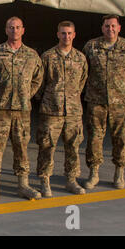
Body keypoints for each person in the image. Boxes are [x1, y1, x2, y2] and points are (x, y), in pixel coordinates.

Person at [0, 16, 44, 202]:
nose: (14, 31)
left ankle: (23, 185)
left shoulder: (32, 55)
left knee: (22, 149)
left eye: (17, 27)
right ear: (6, 30)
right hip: (0, 110)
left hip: (22, 111)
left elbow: (37, 79)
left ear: (23, 30)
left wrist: (26, 95)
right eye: (11, 27)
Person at [82, 14, 125, 190]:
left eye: (113, 26)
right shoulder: (91, 46)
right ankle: (94, 173)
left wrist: (119, 88)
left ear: (119, 28)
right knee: (94, 138)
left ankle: (119, 172)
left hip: (120, 102)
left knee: (121, 138)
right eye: (107, 26)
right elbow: (84, 70)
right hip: (96, 101)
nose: (110, 29)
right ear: (102, 28)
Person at [36, 21, 88, 196]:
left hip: (73, 111)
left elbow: (82, 82)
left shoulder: (80, 58)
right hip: (51, 110)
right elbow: (39, 84)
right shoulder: (48, 57)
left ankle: (71, 180)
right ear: (58, 34)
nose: (66, 36)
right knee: (47, 146)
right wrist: (50, 99)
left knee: (73, 147)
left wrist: (71, 98)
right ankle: (45, 180)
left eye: (69, 33)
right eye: (63, 33)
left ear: (74, 35)